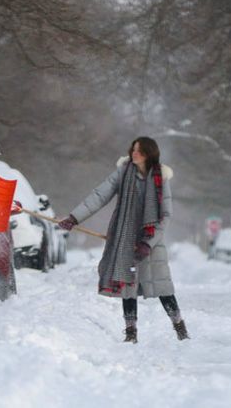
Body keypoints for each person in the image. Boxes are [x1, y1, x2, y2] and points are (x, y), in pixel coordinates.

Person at [58, 137, 188, 343]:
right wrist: (74, 217)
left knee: (162, 286)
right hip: (125, 238)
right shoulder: (122, 173)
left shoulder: (160, 179)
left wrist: (148, 243)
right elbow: (99, 195)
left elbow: (165, 215)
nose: (134, 154)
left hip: (151, 240)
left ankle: (180, 327)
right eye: (133, 150)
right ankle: (130, 333)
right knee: (128, 286)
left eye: (139, 151)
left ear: (149, 154)